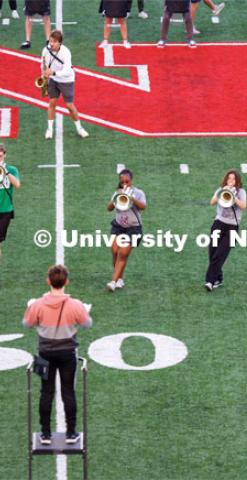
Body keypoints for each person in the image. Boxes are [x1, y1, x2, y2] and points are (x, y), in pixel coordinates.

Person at [22, 265, 93, 445]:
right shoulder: (75, 305)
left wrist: (31, 308)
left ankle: (45, 434)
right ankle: (71, 433)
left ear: (48, 281)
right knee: (68, 392)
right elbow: (87, 324)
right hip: (67, 353)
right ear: (66, 282)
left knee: (46, 392)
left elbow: (26, 324)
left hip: (44, 353)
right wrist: (84, 311)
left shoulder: (37, 304)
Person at [41, 31, 89, 140]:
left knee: (69, 106)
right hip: (53, 79)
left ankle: (79, 128)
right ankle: (49, 129)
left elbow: (67, 70)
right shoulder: (45, 50)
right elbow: (43, 63)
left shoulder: (66, 52)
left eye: (54, 42)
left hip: (66, 80)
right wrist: (43, 76)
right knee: (52, 102)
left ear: (60, 43)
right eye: (50, 41)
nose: (51, 43)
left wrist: (54, 73)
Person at [204, 169, 247, 291]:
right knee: (212, 252)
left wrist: (234, 198)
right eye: (229, 178)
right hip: (218, 224)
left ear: (237, 181)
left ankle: (210, 281)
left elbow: (243, 206)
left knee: (220, 254)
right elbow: (212, 202)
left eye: (233, 179)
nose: (231, 181)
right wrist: (222, 193)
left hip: (233, 226)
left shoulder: (241, 192)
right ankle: (218, 278)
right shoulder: (221, 189)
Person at [106, 169, 146, 291]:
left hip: (133, 228)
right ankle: (119, 279)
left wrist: (132, 198)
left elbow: (143, 207)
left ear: (131, 181)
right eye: (122, 181)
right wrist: (117, 197)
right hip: (118, 226)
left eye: (127, 181)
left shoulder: (138, 193)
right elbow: (108, 208)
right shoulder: (117, 192)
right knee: (114, 251)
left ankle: (113, 282)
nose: (125, 184)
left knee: (122, 253)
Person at [0, 143, 20, 257]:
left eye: (0, 156)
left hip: (5, 210)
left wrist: (5, 171)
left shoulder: (12, 169)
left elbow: (17, 184)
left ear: (4, 155)